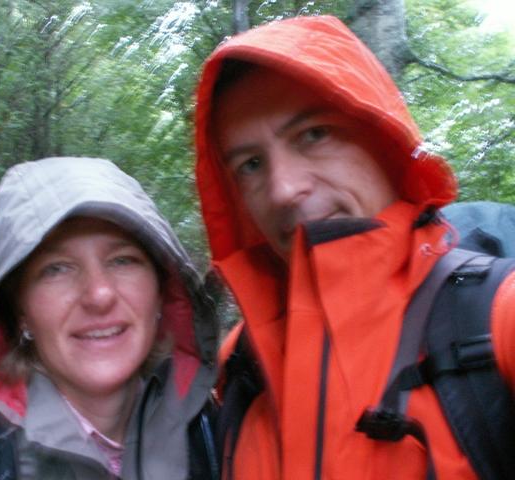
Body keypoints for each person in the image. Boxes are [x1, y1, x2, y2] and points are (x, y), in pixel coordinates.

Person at [193, 15, 515, 480]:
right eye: (251, 164)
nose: (283, 189)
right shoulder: (239, 364)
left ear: (381, 139)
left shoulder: (495, 318)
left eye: (314, 134)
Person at [0, 157, 218, 479]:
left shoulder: (217, 440)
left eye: (123, 260)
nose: (99, 295)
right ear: (20, 312)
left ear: (161, 291)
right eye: (56, 269)